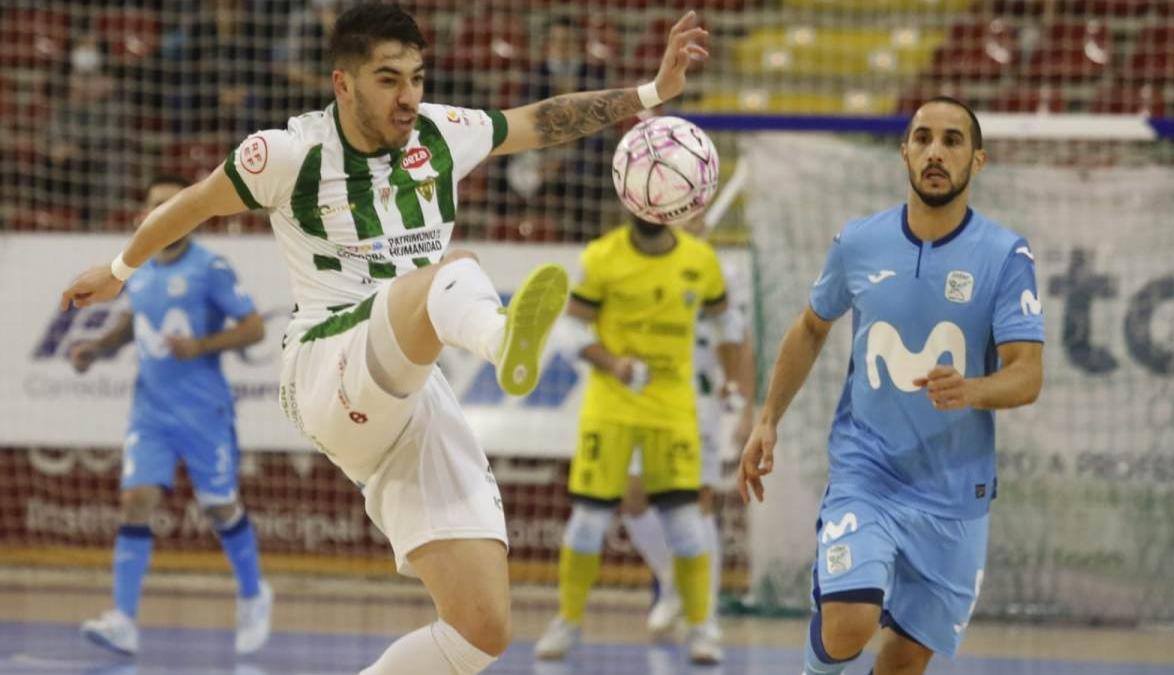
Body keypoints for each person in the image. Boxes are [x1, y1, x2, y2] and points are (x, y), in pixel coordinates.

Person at [60, 5, 709, 673]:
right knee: (449, 275)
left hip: (409, 390)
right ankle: (502, 339)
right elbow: (193, 201)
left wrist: (652, 94)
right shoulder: (289, 152)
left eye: (418, 78)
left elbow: (541, 121)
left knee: (480, 628)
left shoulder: (442, 132)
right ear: (344, 83)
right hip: (325, 364)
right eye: (388, 79)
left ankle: (498, 338)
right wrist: (116, 271)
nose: (408, 97)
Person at [738, 97, 1044, 675]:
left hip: (956, 493)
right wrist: (767, 418)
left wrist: (972, 390)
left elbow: (1028, 372)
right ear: (903, 151)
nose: (935, 151)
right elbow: (810, 327)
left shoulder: (1005, 254)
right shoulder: (859, 242)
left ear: (977, 161)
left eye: (952, 141)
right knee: (849, 619)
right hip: (868, 472)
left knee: (903, 662)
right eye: (923, 138)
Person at [69, 175, 271, 656]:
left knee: (221, 508)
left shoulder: (211, 267)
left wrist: (201, 345)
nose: (163, 212)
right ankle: (123, 620)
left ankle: (252, 594)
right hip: (151, 412)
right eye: (155, 204)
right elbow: (134, 320)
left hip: (205, 411)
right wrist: (95, 349)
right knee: (135, 502)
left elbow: (255, 328)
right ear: (144, 215)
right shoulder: (136, 269)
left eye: (172, 204)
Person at [534, 211, 733, 665]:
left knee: (686, 522)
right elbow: (569, 328)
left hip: (674, 408)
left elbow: (728, 324)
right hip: (612, 405)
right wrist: (613, 363)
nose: (647, 208)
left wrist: (732, 383)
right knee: (588, 521)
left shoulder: (701, 261)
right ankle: (567, 622)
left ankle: (702, 627)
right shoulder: (602, 256)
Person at [619, 213, 756, 650]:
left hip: (700, 400)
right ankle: (673, 575)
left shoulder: (724, 270)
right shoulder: (638, 259)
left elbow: (741, 342)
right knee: (632, 496)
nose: (691, 215)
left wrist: (746, 403)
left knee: (699, 504)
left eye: (697, 207)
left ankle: (704, 621)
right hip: (649, 396)